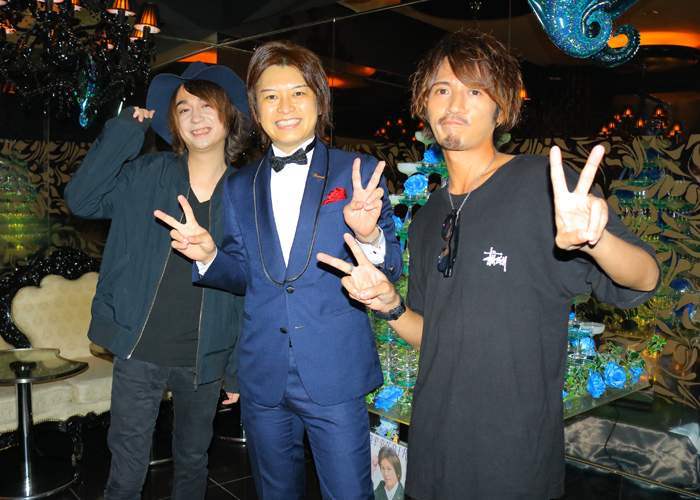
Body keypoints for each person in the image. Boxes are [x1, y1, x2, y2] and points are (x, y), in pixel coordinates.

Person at [317, 30, 661, 500]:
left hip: (514, 456)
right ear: (424, 104)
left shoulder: (541, 186)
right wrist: (390, 305)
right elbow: (430, 335)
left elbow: (644, 277)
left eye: (475, 91)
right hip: (434, 451)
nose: (455, 103)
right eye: (442, 89)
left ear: (502, 109)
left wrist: (597, 240)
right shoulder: (427, 217)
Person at [154, 40, 403, 499]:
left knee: (349, 493)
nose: (284, 107)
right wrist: (208, 256)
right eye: (270, 96)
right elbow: (243, 275)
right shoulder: (239, 184)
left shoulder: (358, 171)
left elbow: (391, 266)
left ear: (320, 101)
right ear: (255, 108)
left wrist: (369, 235)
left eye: (298, 93)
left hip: (334, 369)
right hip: (263, 373)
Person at [64, 62, 249, 500]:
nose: (196, 117)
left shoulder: (248, 191)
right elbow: (82, 200)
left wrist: (236, 370)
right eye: (184, 109)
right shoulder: (146, 173)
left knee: (193, 460)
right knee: (126, 471)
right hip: (138, 347)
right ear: (174, 123)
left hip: (205, 353)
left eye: (207, 106)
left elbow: (251, 287)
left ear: (229, 115)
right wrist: (125, 131)